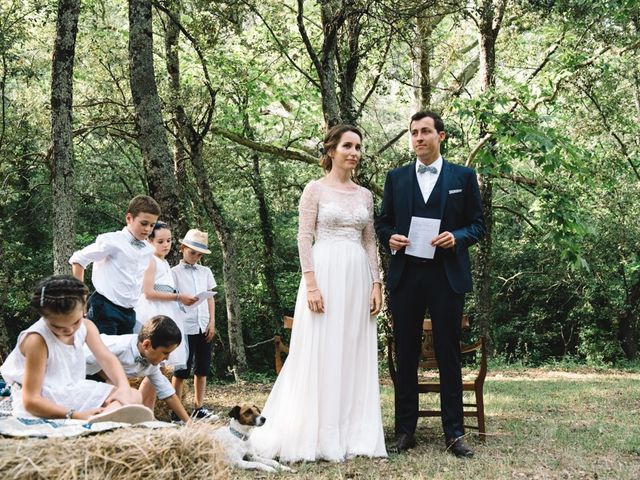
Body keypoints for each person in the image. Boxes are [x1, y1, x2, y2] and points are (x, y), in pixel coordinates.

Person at [251, 125, 387, 463]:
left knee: (352, 349)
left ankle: (354, 433)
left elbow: (370, 240)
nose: (354, 152)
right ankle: (314, 432)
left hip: (357, 276)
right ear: (331, 150)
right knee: (320, 349)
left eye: (358, 146)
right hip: (324, 273)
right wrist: (311, 283)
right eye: (347, 146)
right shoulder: (314, 190)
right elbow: (303, 237)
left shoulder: (365, 195)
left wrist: (376, 283)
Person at [375, 110, 485, 457]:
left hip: (446, 276)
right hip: (406, 276)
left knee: (448, 354)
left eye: (425, 132)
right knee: (405, 354)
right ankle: (405, 431)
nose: (419, 138)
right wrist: (390, 237)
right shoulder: (397, 178)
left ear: (441, 136)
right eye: (413, 133)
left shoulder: (463, 177)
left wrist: (458, 236)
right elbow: (383, 222)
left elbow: (478, 225)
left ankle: (454, 432)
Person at [0, 275, 142, 420]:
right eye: (57, 326)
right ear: (44, 316)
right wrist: (75, 415)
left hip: (71, 390)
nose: (69, 330)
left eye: (75, 322)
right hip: (45, 396)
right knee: (125, 403)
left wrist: (123, 386)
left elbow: (107, 358)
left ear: (84, 308)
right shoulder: (37, 340)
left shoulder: (87, 326)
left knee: (134, 395)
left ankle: (102, 417)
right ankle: (97, 420)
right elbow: (31, 400)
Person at [69, 195, 161, 335]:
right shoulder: (112, 240)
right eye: (144, 223)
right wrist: (79, 299)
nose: (148, 229)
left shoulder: (148, 249)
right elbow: (78, 259)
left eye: (152, 225)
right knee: (103, 354)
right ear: (129, 218)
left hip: (129, 312)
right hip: (105, 308)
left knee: (125, 355)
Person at [85, 315, 192, 423]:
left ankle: (104, 417)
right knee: (125, 395)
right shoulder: (119, 347)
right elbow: (83, 358)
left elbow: (168, 393)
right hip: (83, 376)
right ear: (147, 345)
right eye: (165, 352)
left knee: (133, 396)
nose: (167, 358)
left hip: (100, 383)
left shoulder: (151, 364)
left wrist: (189, 422)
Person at [135, 221, 196, 369]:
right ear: (150, 241)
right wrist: (178, 297)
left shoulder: (165, 262)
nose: (166, 245)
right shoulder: (151, 260)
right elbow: (148, 292)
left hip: (168, 309)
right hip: (154, 310)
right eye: (160, 241)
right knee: (154, 356)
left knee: (165, 362)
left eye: (168, 241)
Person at [171, 229, 217, 420]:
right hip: (184, 325)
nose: (196, 257)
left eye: (199, 254)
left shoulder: (205, 272)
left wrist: (212, 322)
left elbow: (210, 298)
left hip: (203, 324)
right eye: (192, 252)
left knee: (202, 368)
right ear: (182, 249)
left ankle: (199, 407)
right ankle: (176, 409)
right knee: (181, 369)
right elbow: (171, 298)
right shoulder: (173, 273)